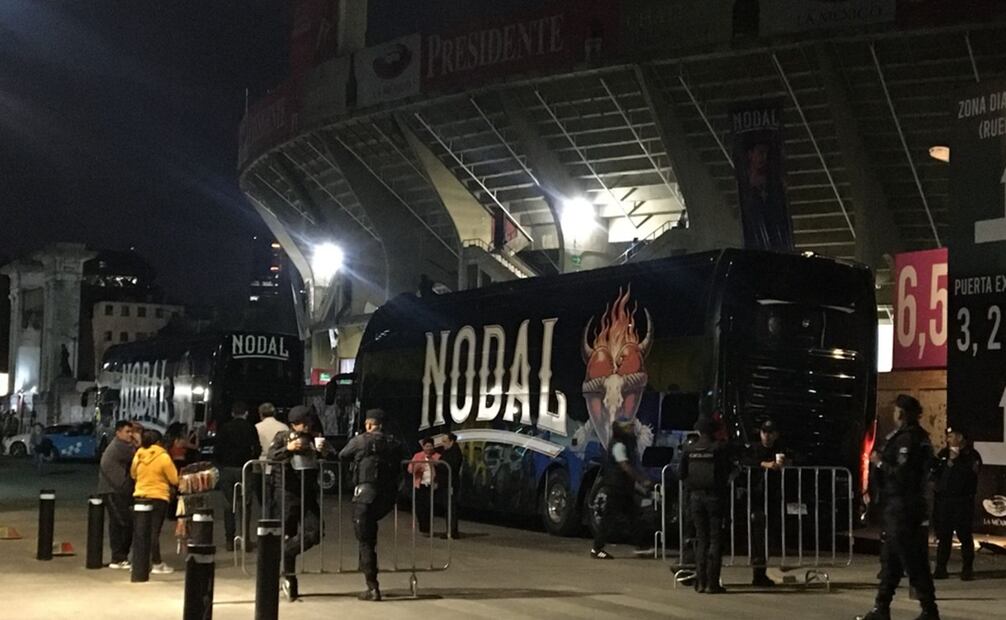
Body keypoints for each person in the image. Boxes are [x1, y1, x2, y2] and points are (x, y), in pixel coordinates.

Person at [861, 394, 940, 620]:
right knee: (891, 560)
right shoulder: (909, 436)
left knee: (913, 560)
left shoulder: (909, 439)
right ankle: (881, 607)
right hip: (896, 506)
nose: (894, 414)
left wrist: (879, 463)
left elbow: (903, 475)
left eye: (896, 410)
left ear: (902, 413)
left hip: (904, 507)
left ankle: (929, 610)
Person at [339, 409, 406, 602]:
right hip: (386, 497)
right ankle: (370, 578)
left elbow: (343, 455)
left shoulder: (361, 441)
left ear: (369, 424)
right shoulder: (394, 442)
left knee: (365, 541)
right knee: (370, 537)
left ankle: (372, 587)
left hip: (365, 495)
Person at [268, 405, 325, 601]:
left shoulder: (314, 437)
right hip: (286, 492)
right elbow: (271, 456)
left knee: (315, 532)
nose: (308, 426)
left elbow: (331, 456)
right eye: (304, 423)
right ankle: (289, 580)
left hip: (307, 493)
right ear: (294, 424)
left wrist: (323, 450)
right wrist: (288, 449)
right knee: (288, 532)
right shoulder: (283, 437)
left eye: (310, 422)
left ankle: (283, 552)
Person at [679, 416, 730, 594]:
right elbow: (726, 471)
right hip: (714, 498)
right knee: (715, 540)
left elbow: (681, 473)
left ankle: (700, 582)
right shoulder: (718, 448)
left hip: (695, 498)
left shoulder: (689, 448)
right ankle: (712, 583)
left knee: (701, 540)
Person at [590, 419, 654, 559]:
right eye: (628, 427)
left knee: (632, 516)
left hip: (622, 487)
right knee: (610, 518)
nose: (632, 430)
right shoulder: (618, 445)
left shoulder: (624, 444)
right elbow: (625, 466)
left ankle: (642, 546)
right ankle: (597, 548)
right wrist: (641, 480)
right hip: (616, 487)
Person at [931, 427, 982, 581]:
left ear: (960, 438)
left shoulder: (971, 455)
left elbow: (971, 475)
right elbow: (935, 472)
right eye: (948, 436)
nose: (948, 439)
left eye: (951, 436)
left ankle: (967, 569)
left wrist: (956, 461)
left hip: (963, 501)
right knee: (944, 535)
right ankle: (941, 568)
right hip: (945, 501)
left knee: (964, 535)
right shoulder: (944, 454)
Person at [743, 417, 787, 587]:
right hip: (757, 497)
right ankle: (758, 572)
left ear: (776, 435)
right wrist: (764, 464)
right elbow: (745, 460)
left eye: (770, 433)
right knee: (758, 535)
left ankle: (761, 572)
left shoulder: (780, 449)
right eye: (764, 432)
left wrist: (785, 464)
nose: (766, 436)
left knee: (770, 536)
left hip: (774, 497)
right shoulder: (754, 449)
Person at [131, 429, 179, 575]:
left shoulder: (138, 455)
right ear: (158, 442)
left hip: (140, 496)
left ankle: (138, 562)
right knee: (153, 532)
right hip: (158, 497)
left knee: (140, 531)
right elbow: (174, 479)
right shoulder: (163, 457)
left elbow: (133, 474)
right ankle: (156, 563)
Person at [215, 401, 261, 551]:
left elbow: (217, 449)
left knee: (229, 505)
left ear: (232, 413)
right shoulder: (250, 427)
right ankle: (245, 539)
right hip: (244, 469)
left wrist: (220, 465)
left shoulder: (224, 428)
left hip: (227, 469)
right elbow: (257, 448)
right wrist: (251, 459)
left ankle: (230, 540)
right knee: (245, 505)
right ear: (246, 413)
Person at [98, 420, 138, 569]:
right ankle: (119, 557)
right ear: (118, 433)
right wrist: (138, 440)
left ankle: (118, 557)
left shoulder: (120, 445)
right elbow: (139, 456)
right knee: (125, 523)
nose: (130, 435)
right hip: (113, 491)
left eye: (131, 432)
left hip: (113, 490)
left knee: (116, 524)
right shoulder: (120, 447)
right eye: (127, 432)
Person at [255, 402, 288, 517]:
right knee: (278, 496)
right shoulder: (283, 427)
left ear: (260, 414)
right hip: (280, 464)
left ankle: (266, 519)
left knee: (264, 497)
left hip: (261, 464)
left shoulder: (257, 427)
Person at [409, 437, 440, 535]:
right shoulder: (418, 456)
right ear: (423, 447)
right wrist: (419, 466)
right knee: (420, 507)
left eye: (430, 446)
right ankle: (423, 527)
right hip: (420, 485)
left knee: (429, 507)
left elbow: (441, 469)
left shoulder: (437, 456)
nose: (429, 448)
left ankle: (428, 528)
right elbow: (410, 469)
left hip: (431, 485)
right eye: (427, 446)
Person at [439, 432, 463, 538]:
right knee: (448, 507)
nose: (443, 444)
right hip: (446, 483)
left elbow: (452, 466)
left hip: (451, 483)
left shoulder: (455, 452)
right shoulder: (447, 452)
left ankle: (452, 531)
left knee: (451, 507)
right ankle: (450, 530)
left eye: (445, 441)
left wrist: (439, 464)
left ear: (451, 441)